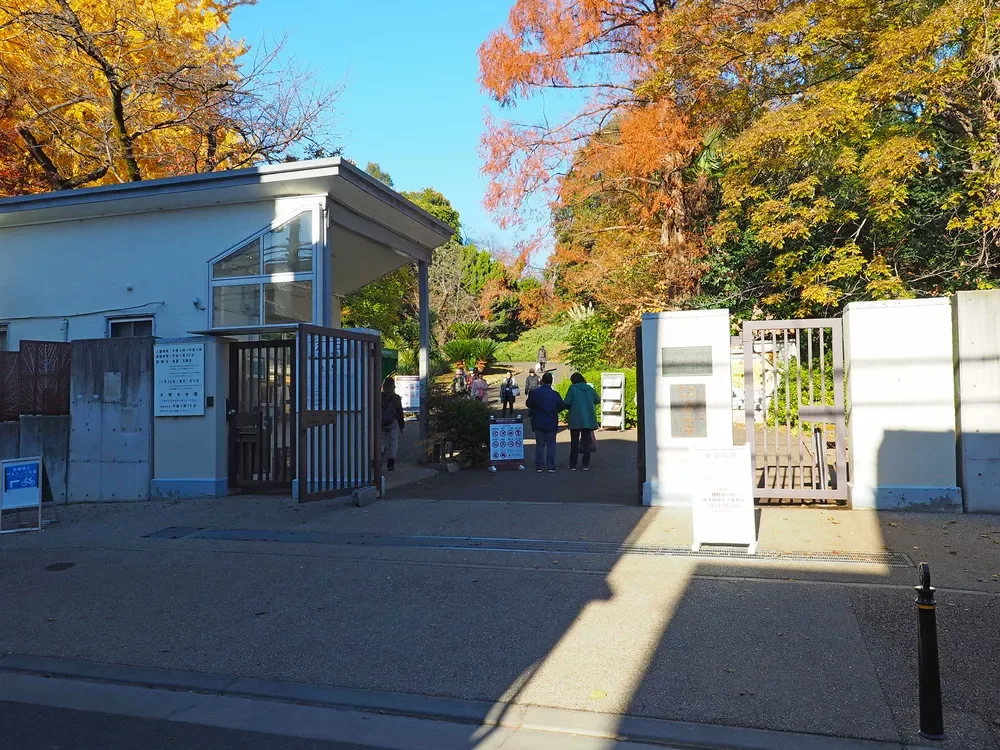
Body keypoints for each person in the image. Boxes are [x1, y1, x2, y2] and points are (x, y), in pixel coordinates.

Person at [525, 372, 565, 473]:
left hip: (538, 421)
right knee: (551, 445)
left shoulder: (535, 392)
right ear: (551, 382)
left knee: (540, 444)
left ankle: (539, 466)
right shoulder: (555, 394)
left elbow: (528, 404)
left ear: (542, 381)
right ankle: (551, 466)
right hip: (551, 421)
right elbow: (561, 406)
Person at [563, 372, 601, 471]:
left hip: (575, 419)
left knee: (574, 442)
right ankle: (585, 464)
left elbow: (567, 402)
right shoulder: (589, 388)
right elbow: (597, 399)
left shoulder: (573, 388)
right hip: (588, 419)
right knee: (586, 441)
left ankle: (573, 465)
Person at [381, 377, 405, 471]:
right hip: (393, 422)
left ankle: (381, 453)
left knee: (381, 441)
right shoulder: (396, 398)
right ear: (393, 386)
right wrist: (402, 425)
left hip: (381, 423)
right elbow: (400, 412)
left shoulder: (378, 396)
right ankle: (391, 463)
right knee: (393, 442)